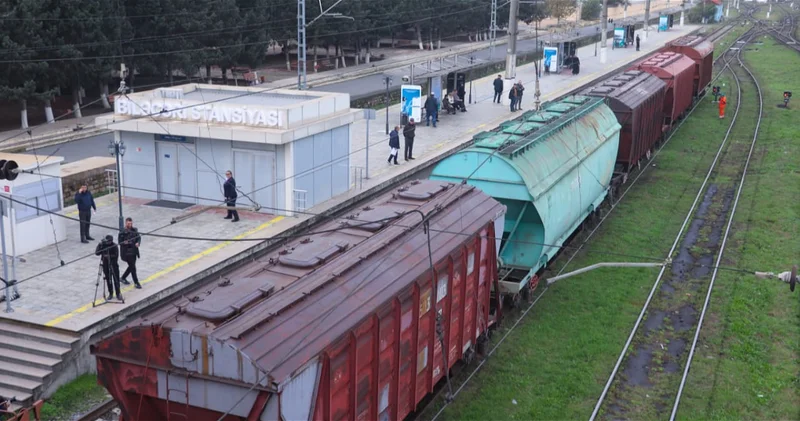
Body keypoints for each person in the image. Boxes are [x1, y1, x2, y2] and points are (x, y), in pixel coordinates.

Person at [96, 235, 122, 301]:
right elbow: (97, 253)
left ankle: (118, 293)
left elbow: (116, 255)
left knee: (116, 280)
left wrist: (108, 256)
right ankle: (111, 293)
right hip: (105, 265)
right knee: (108, 280)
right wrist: (99, 245)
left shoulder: (114, 246)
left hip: (113, 265)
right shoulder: (103, 245)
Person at [118, 217, 142, 289]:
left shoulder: (135, 230)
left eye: (131, 223)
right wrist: (124, 243)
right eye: (128, 223)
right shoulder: (122, 232)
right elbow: (120, 242)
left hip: (134, 251)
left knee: (132, 266)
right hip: (127, 253)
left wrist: (138, 243)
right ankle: (136, 282)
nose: (130, 225)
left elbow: (139, 237)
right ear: (126, 223)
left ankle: (123, 278)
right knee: (133, 268)